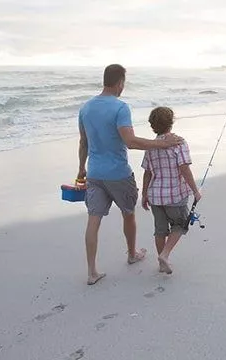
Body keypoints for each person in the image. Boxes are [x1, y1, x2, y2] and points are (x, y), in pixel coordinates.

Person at [77, 64, 182, 285]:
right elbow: (131, 142)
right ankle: (132, 253)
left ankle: (91, 272)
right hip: (118, 174)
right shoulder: (120, 107)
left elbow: (83, 143)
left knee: (93, 220)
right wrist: (162, 144)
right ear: (120, 83)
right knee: (128, 214)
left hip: (94, 173)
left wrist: (81, 169)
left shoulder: (85, 108)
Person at [140, 106, 202, 274]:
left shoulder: (150, 146)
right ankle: (165, 255)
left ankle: (161, 262)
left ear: (152, 126)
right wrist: (195, 190)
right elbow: (184, 168)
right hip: (175, 195)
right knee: (180, 224)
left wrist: (144, 194)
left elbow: (147, 172)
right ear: (171, 123)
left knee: (160, 230)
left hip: (155, 196)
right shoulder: (179, 143)